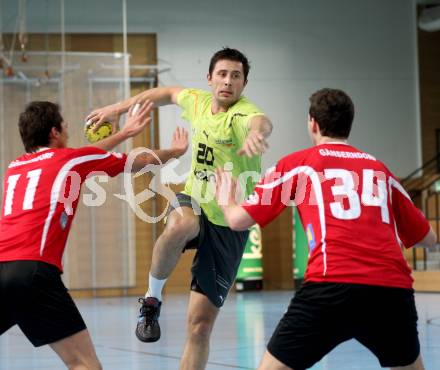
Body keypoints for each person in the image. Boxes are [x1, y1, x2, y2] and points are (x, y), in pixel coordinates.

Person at [215, 88, 437, 370]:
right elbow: (429, 238)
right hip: (390, 291)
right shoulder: (380, 170)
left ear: (313, 123)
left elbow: (237, 220)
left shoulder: (298, 165)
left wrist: (226, 200)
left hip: (330, 286)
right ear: (349, 124)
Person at [87, 47, 273, 369]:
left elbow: (261, 122)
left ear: (244, 84)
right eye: (222, 74)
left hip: (229, 222)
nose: (228, 81)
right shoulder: (198, 102)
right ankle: (151, 300)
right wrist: (117, 108)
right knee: (181, 224)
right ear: (210, 78)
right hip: (194, 200)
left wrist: (259, 133)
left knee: (199, 327)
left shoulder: (242, 114)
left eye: (236, 76)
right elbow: (165, 93)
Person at [0, 101, 188, 370]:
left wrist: (123, 134)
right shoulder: (71, 159)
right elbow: (140, 161)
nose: (68, 131)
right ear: (54, 132)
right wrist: (176, 151)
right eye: (64, 126)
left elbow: (82, 157)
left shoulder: (16, 167)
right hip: (33, 273)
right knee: (85, 364)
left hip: (2, 267)